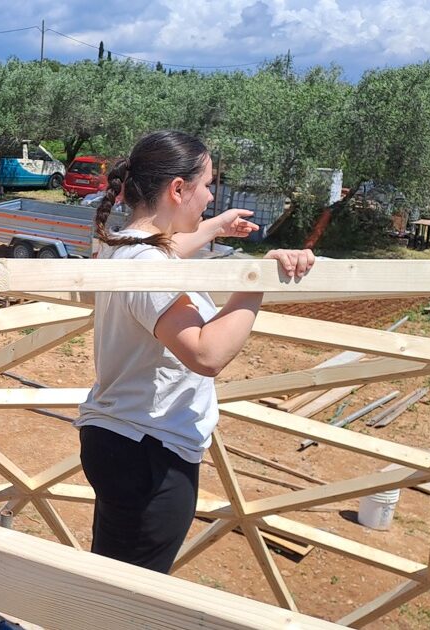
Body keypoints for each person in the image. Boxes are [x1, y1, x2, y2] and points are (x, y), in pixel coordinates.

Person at [77, 130, 315, 574]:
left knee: (110, 581)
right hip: (149, 452)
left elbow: (164, 251)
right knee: (131, 601)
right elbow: (205, 354)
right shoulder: (148, 265)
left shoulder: (120, 246)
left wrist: (217, 226)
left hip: (119, 440)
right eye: (207, 184)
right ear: (178, 189)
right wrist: (257, 281)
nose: (210, 195)